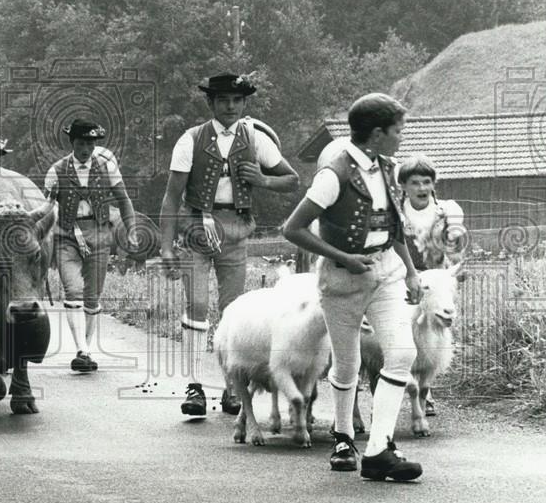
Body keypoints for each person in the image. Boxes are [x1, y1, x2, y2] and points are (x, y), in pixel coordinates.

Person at [283, 92, 425, 482]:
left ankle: (379, 448)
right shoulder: (334, 173)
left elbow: (393, 226)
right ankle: (343, 436)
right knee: (348, 364)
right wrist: (343, 258)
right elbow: (291, 228)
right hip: (343, 278)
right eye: (398, 130)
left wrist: (411, 271)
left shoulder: (389, 166)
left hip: (388, 272)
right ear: (377, 133)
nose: (401, 137)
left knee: (401, 352)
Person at [158, 72, 299, 418]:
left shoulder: (256, 140)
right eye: (223, 100)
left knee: (232, 310)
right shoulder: (190, 140)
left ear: (244, 103)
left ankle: (232, 387)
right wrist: (165, 247)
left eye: (237, 100)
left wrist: (262, 179)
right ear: (210, 103)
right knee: (197, 305)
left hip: (235, 229)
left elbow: (292, 180)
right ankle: (194, 386)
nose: (230, 106)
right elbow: (172, 197)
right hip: (196, 228)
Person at [44, 120, 138, 373]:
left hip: (99, 234)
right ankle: (81, 350)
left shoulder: (107, 166)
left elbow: (124, 199)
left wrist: (132, 229)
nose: (86, 148)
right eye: (81, 143)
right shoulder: (56, 170)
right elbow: (48, 208)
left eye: (90, 143)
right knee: (73, 289)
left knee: (92, 295)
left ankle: (87, 348)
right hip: (66, 236)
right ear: (71, 143)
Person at [397, 154, 466, 416]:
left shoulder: (445, 211)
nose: (422, 188)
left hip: (435, 280)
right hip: (402, 279)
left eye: (427, 182)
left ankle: (426, 388)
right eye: (415, 183)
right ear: (404, 185)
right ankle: (392, 383)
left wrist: (453, 260)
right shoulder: (396, 211)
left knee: (434, 332)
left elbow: (456, 248)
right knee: (401, 332)